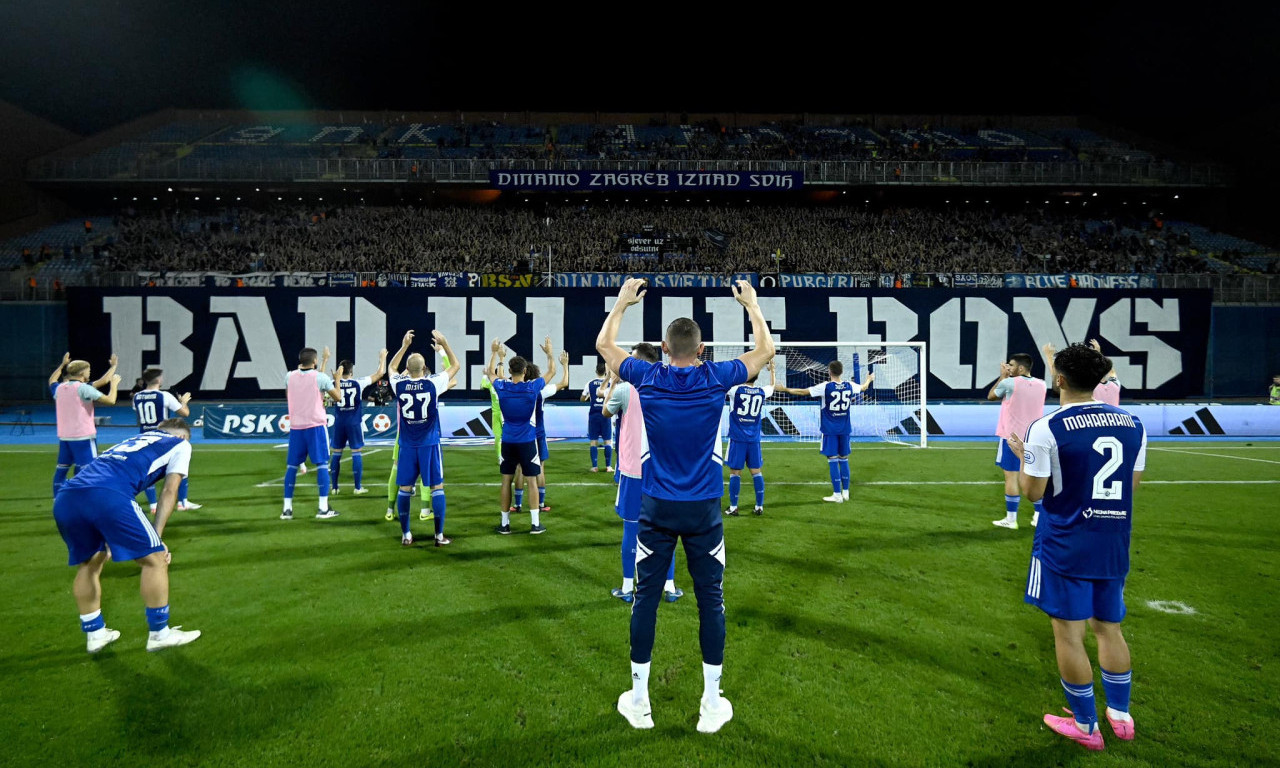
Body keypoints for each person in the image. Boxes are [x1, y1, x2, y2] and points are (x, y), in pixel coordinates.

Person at [598, 277, 774, 733]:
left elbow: (604, 344)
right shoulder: (716, 376)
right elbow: (765, 352)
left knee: (645, 601)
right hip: (703, 511)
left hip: (656, 507)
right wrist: (752, 306)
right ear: (700, 349)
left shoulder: (646, 375)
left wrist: (621, 303)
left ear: (662, 346)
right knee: (710, 602)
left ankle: (639, 701)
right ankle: (711, 704)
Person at [1007, 342, 1146, 751]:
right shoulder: (1132, 423)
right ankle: (1121, 717)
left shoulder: (1047, 427)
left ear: (1060, 380)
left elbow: (1033, 493)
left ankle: (1087, 727)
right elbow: (1131, 486)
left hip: (1066, 541)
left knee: (1069, 635)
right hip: (1113, 542)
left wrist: (1027, 456)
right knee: (1108, 629)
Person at [52, 417, 201, 653]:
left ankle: (95, 634)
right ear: (181, 435)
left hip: (67, 497)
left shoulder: (131, 440)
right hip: (108, 495)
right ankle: (160, 633)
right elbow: (170, 490)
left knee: (90, 563)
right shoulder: (180, 443)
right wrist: (157, 539)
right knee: (155, 560)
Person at [601, 347, 681, 603]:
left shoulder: (626, 389)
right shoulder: (670, 385)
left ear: (639, 362)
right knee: (667, 530)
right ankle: (669, 587)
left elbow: (605, 412)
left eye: (632, 359)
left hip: (634, 471)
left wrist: (613, 381)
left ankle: (627, 587)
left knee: (631, 529)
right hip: (662, 471)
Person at [387, 330, 460, 546]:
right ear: (424, 367)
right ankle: (438, 535)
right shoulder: (433, 383)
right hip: (429, 443)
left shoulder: (399, 383)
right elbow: (455, 367)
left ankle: (406, 535)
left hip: (407, 444)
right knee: (437, 487)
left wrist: (404, 346)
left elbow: (391, 368)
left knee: (405, 489)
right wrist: (445, 344)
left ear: (407, 369)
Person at [776, 361, 874, 504]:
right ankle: (845, 492)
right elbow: (864, 388)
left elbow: (803, 392)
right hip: (845, 428)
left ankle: (837, 495)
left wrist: (784, 389)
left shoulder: (825, 387)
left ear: (829, 371)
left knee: (833, 460)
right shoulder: (849, 385)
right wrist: (869, 379)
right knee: (844, 459)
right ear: (841, 371)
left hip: (830, 429)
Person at [487, 346, 552, 535]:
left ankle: (505, 524)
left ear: (509, 371)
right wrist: (549, 354)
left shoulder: (502, 386)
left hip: (508, 440)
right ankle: (534, 524)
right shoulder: (532, 388)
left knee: (506, 481)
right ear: (525, 371)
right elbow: (552, 372)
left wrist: (494, 353)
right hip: (527, 440)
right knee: (531, 481)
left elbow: (490, 373)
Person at [281, 346, 343, 521]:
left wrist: (323, 361)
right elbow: (337, 397)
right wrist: (337, 379)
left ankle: (287, 509)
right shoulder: (321, 378)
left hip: (296, 427)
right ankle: (323, 508)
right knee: (322, 465)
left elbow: (293, 394)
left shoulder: (289, 376)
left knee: (291, 467)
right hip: (315, 425)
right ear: (314, 361)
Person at [988, 352, 1048, 530]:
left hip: (1011, 438)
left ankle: (1011, 519)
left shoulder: (1008, 383)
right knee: (1034, 476)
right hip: (1035, 437)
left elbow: (991, 396)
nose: (1009, 368)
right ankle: (1038, 516)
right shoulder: (1042, 384)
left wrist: (1002, 376)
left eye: (1011, 365)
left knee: (1011, 477)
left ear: (1021, 368)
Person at [49, 352, 120, 497]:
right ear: (82, 372)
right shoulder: (83, 388)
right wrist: (114, 385)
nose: (90, 372)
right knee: (89, 471)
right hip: (83, 437)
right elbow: (111, 400)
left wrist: (62, 365)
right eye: (88, 370)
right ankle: (85, 500)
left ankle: (58, 501)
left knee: (61, 471)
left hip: (65, 438)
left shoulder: (60, 388)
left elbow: (52, 380)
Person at [132, 368, 196, 512]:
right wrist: (184, 402)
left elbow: (138, 419)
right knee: (178, 466)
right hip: (163, 436)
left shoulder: (136, 396)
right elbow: (184, 413)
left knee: (148, 470)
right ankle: (182, 503)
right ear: (159, 380)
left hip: (144, 437)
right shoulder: (164, 396)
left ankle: (153, 505)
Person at [329, 349, 388, 495]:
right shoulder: (358, 383)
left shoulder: (332, 383)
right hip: (354, 423)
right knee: (356, 452)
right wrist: (382, 358)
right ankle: (357, 487)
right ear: (351, 371)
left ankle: (334, 487)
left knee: (336, 453)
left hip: (339, 422)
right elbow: (380, 374)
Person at [723, 359, 777, 516]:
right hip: (753, 439)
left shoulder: (735, 390)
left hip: (738, 438)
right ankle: (759, 506)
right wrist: (772, 370)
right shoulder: (761, 392)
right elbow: (772, 387)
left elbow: (719, 383)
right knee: (756, 471)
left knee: (735, 472)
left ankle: (733, 507)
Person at [1044, 340, 1120, 406]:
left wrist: (1049, 356)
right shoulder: (1115, 385)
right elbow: (1112, 371)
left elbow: (1057, 376)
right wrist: (1098, 354)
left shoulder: (1089, 386)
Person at [581, 361, 614, 472]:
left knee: (593, 441)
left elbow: (582, 398)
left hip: (593, 415)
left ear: (596, 371)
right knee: (608, 441)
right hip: (606, 414)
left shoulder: (590, 383)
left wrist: (589, 396)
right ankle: (608, 466)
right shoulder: (610, 383)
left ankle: (595, 466)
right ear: (605, 372)